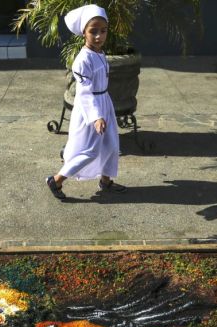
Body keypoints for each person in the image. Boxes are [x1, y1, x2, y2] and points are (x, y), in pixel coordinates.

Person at [46, 4, 126, 200]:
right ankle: (56, 180)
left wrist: (104, 109)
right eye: (93, 31)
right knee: (89, 151)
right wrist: (96, 116)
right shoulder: (82, 60)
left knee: (111, 145)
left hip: (103, 103)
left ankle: (105, 180)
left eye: (103, 31)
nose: (99, 36)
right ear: (84, 32)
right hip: (91, 110)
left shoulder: (99, 53)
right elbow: (85, 92)